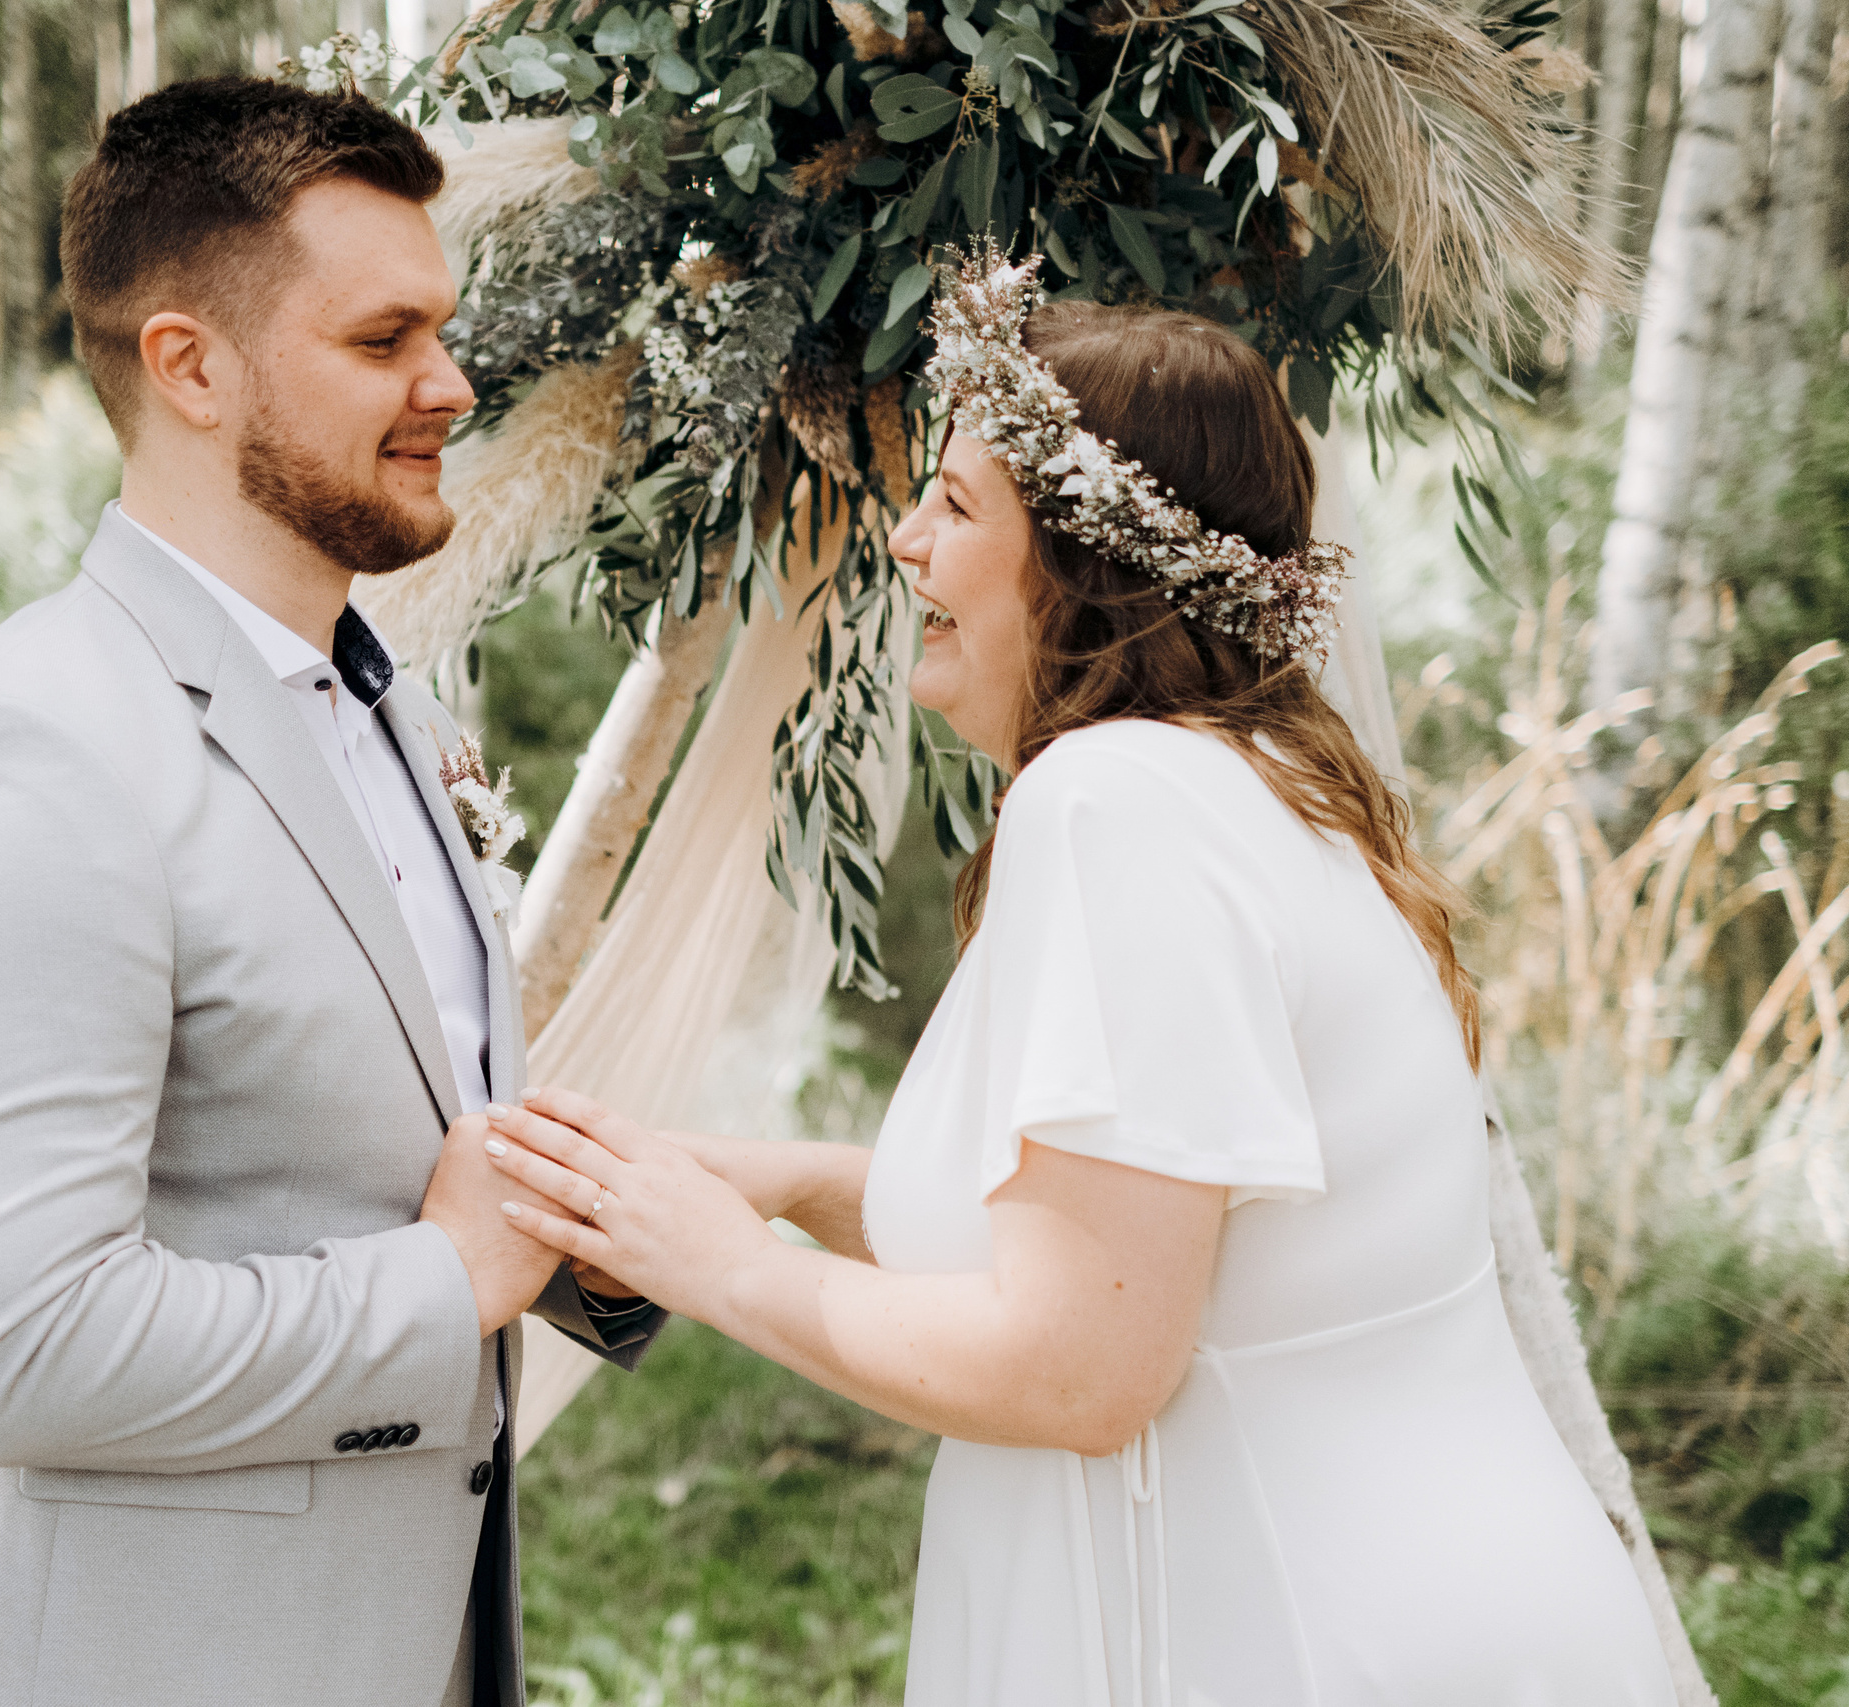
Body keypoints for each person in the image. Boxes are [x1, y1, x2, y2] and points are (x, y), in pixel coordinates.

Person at [476, 251, 1678, 1704]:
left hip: (1310, 1647)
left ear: (1079, 560)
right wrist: (783, 1181)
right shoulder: (1267, 783)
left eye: (955, 504)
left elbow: (1079, 1366)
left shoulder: (1118, 806)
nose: (907, 543)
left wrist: (721, 1265)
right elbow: (1127, 1234)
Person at [0, 77, 660, 1707]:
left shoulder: (386, 709)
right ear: (191, 367)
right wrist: (446, 1288)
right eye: (383, 339)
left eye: (442, 331)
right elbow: (11, 1349)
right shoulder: (39, 756)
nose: (451, 383)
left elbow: (354, 1160)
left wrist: (593, 1245)